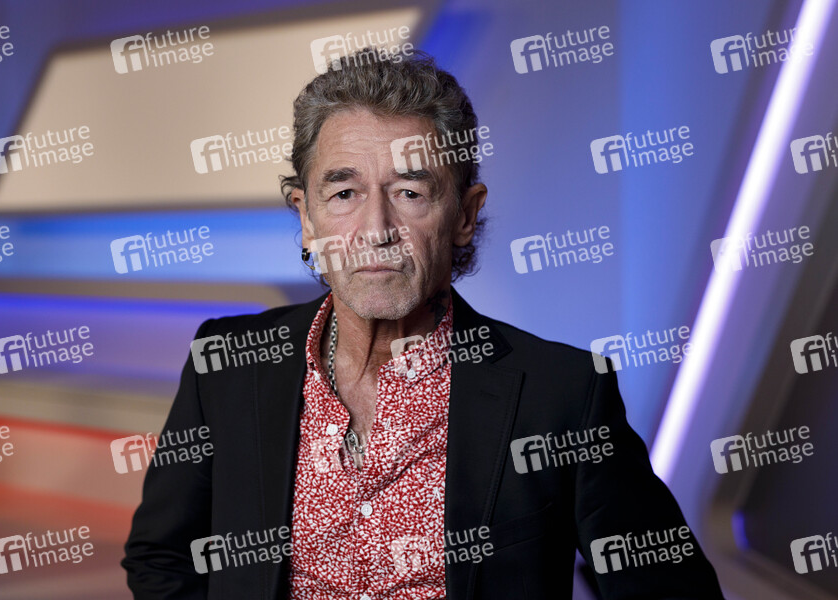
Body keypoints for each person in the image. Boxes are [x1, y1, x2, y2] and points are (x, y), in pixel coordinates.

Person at [122, 48, 725, 599]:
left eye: (410, 192)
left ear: (465, 215)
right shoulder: (225, 364)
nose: (376, 229)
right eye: (344, 194)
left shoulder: (561, 395)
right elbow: (162, 558)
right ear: (306, 218)